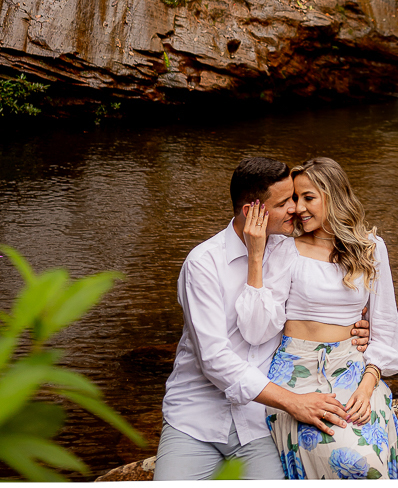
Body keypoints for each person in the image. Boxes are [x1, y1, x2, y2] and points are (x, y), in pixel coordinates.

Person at [153, 155, 369, 481]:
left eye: (296, 199)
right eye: (284, 203)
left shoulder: (287, 250)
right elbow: (215, 359)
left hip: (260, 421)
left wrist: (358, 326)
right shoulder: (203, 264)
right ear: (250, 211)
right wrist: (293, 402)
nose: (295, 209)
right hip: (196, 417)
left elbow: (326, 298)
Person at [236, 156, 398, 479]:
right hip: (296, 369)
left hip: (352, 367)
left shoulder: (371, 248)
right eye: (294, 199)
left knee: (370, 458)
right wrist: (257, 255)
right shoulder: (284, 250)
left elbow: (386, 327)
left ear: (332, 196)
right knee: (348, 459)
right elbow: (256, 329)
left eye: (308, 198)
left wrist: (368, 385)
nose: (298, 208)